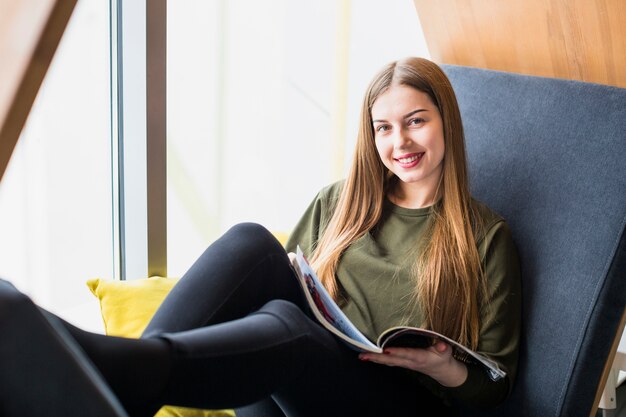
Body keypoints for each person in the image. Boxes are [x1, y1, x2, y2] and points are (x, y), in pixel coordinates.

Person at [0, 57, 521, 417]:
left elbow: (494, 388)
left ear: (445, 122)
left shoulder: (485, 237)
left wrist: (444, 365)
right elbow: (276, 286)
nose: (399, 141)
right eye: (383, 127)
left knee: (288, 328)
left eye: (415, 122)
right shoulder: (340, 203)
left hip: (403, 402)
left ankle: (110, 370)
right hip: (307, 386)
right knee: (252, 245)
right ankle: (125, 372)